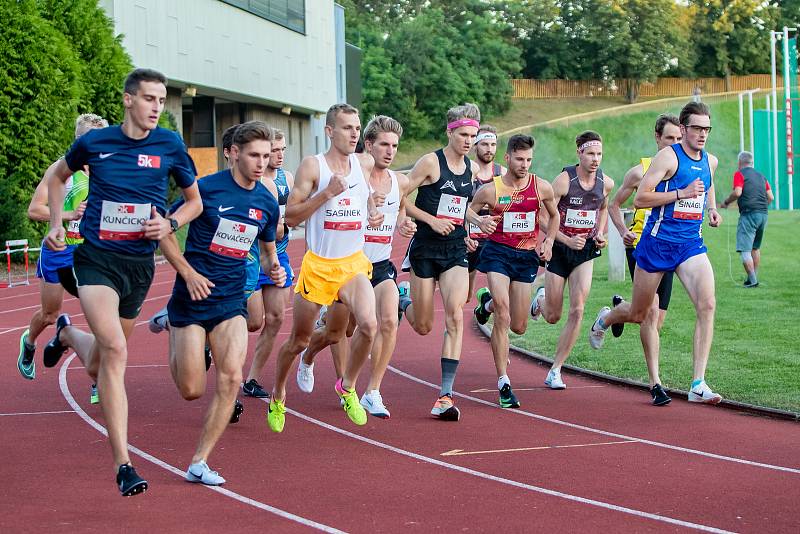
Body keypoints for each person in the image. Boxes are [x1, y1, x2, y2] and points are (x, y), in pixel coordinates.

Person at [41, 68, 202, 496]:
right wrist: (57, 222)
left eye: (163, 101)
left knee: (100, 358)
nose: (157, 108)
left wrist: (169, 222)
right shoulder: (95, 142)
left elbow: (194, 202)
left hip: (139, 267)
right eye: (150, 99)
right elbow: (57, 177)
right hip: (96, 260)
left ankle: (68, 335)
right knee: (115, 350)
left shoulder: (170, 144)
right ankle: (124, 463)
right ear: (129, 100)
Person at [157, 121, 284, 485]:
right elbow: (164, 230)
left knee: (230, 377)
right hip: (192, 298)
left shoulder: (265, 200)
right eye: (255, 155)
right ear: (234, 154)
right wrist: (187, 273)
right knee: (191, 389)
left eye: (266, 155)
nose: (262, 163)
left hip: (231, 300)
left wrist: (273, 269)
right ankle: (171, 324)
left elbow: (265, 248)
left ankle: (200, 461)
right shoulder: (205, 190)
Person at [589, 101, 724, 405]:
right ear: (685, 127)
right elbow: (641, 199)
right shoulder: (667, 158)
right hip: (657, 243)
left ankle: (698, 383)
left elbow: (708, 182)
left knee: (708, 304)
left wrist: (712, 208)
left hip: (690, 244)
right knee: (640, 313)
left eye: (707, 129)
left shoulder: (710, 160)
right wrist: (681, 194)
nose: (702, 134)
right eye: (697, 128)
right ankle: (608, 317)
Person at [267, 103, 382, 433]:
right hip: (318, 266)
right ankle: (278, 395)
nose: (354, 133)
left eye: (357, 128)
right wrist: (326, 194)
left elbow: (367, 195)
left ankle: (347, 388)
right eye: (347, 128)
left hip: (351, 264)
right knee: (299, 341)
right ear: (330, 131)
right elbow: (290, 217)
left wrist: (372, 209)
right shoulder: (312, 166)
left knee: (367, 326)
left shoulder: (363, 162)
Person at [296, 115, 415, 418]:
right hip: (348, 266)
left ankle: (370, 390)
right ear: (368, 146)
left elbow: (400, 207)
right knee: (339, 333)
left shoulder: (399, 181)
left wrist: (404, 223)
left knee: (387, 321)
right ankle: (309, 355)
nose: (390, 151)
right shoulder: (355, 172)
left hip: (381, 263)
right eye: (384, 145)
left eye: (395, 146)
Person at [398, 103, 495, 421]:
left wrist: (475, 223)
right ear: (450, 132)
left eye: (473, 135)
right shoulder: (430, 162)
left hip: (454, 249)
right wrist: (428, 220)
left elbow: (459, 206)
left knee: (455, 315)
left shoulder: (470, 169)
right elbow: (400, 195)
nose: (469, 141)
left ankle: (445, 396)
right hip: (425, 249)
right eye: (464, 135)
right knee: (424, 326)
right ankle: (404, 301)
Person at [18, 113, 107, 390]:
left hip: (90, 254)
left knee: (101, 315)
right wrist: (68, 214)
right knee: (50, 314)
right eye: (86, 140)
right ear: (77, 140)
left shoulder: (110, 170)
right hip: (59, 250)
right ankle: (29, 342)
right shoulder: (61, 169)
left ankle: (98, 377)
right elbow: (34, 210)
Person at [470, 134, 558, 408]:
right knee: (504, 314)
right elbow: (468, 211)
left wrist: (551, 241)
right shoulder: (490, 190)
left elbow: (554, 216)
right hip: (497, 254)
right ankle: (504, 382)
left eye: (529, 159)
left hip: (525, 257)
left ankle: (486, 302)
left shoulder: (541, 187)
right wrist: (479, 222)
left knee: (519, 326)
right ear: (506, 158)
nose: (524, 164)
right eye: (519, 159)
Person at [606, 114, 682, 405]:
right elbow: (614, 204)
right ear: (657, 138)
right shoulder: (640, 172)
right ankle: (656, 384)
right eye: (669, 139)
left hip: (671, 248)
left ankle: (612, 313)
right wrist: (624, 231)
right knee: (649, 315)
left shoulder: (685, 171)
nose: (674, 144)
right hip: (641, 247)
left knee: (653, 320)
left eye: (678, 138)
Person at [529, 131, 614, 390]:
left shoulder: (606, 183)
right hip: (559, 249)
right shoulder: (564, 181)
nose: (595, 159)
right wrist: (565, 240)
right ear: (579, 152)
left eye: (599, 154)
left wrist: (601, 233)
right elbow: (542, 218)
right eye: (590, 153)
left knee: (578, 309)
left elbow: (603, 208)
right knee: (554, 316)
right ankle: (540, 300)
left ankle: (556, 369)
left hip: (584, 252)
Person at [243, 129, 295, 398]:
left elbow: (296, 215)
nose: (279, 155)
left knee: (275, 318)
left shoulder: (287, 179)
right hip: (252, 256)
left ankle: (251, 379)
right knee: (253, 321)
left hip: (279, 255)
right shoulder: (254, 181)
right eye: (274, 150)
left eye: (282, 149)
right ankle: (209, 338)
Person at [721, 151, 773, 288]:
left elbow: (738, 192)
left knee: (745, 249)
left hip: (749, 214)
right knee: (755, 248)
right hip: (763, 214)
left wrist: (726, 202)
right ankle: (752, 278)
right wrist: (761, 207)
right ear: (752, 163)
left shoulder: (740, 174)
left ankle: (753, 280)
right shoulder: (761, 176)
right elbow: (770, 197)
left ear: (739, 163)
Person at [467, 125, 507, 300]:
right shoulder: (466, 171)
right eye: (484, 144)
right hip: (469, 238)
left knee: (501, 293)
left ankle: (486, 304)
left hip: (493, 239)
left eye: (493, 144)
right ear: (475, 146)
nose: (489, 149)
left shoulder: (503, 174)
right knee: (464, 295)